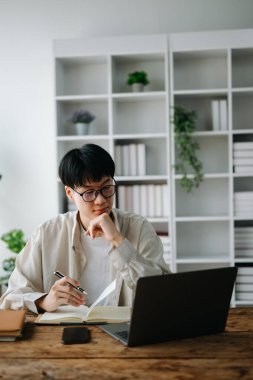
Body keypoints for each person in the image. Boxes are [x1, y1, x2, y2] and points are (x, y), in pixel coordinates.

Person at [0, 144, 170, 313]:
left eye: (106, 188)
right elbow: (12, 296)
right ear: (69, 193)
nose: (101, 200)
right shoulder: (47, 233)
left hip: (125, 331)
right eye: (88, 192)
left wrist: (118, 240)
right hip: (63, 332)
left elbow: (162, 292)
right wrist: (44, 301)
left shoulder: (139, 228)